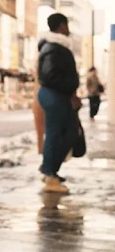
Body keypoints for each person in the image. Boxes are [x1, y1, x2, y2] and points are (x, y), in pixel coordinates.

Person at [37, 13, 79, 194]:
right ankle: (49, 174)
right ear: (61, 25)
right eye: (67, 24)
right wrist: (69, 89)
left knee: (69, 133)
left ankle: (50, 169)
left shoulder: (57, 46)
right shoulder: (53, 48)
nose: (68, 28)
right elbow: (49, 76)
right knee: (55, 134)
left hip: (59, 95)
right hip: (54, 95)